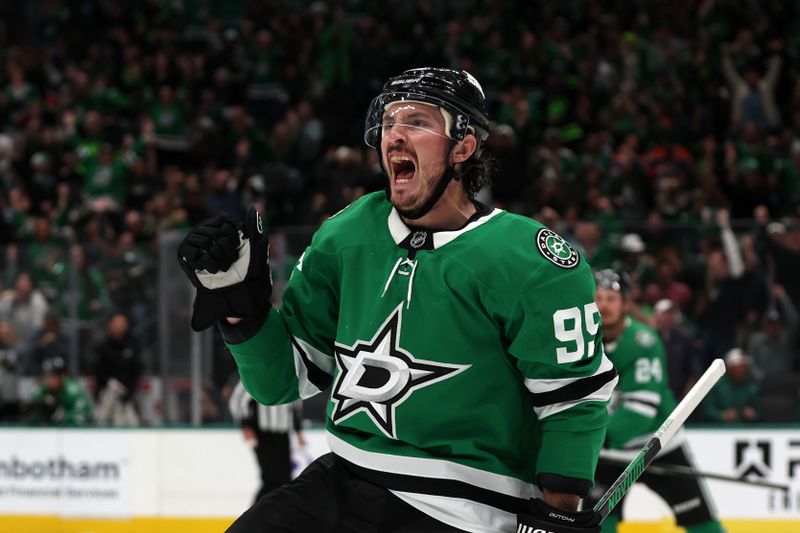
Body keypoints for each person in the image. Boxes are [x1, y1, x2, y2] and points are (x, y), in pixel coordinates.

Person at [178, 68, 618, 533]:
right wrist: (241, 309)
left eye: (418, 121)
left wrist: (558, 508)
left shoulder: (530, 260)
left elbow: (572, 399)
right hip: (341, 480)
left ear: (463, 147)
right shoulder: (347, 234)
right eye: (388, 122)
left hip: (465, 508)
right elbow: (282, 382)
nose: (395, 136)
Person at [588, 270, 724, 533]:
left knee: (702, 523)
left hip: (658, 445)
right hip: (610, 453)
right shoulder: (583, 341)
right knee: (598, 525)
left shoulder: (643, 341)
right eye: (598, 298)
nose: (603, 305)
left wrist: (594, 435)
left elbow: (641, 409)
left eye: (612, 298)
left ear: (626, 303)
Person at [228, 379, 306, 503]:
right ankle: (255, 516)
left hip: (283, 433)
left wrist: (298, 429)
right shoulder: (257, 371)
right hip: (263, 434)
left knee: (285, 479)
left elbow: (296, 403)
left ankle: (275, 515)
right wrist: (245, 425)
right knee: (271, 479)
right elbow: (238, 400)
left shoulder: (291, 375)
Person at [28, 356, 93, 426]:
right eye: (47, 376)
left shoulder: (74, 391)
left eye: (54, 376)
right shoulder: (41, 390)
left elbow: (84, 414)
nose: (50, 380)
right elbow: (29, 413)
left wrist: (63, 416)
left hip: (72, 432)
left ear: (63, 376)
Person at [702, 348, 759, 424]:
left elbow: (759, 413)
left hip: (744, 429)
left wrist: (752, 414)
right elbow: (706, 410)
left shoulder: (751, 388)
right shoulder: (715, 385)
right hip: (718, 429)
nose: (744, 369)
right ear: (729, 367)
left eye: (745, 366)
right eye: (740, 366)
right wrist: (721, 415)